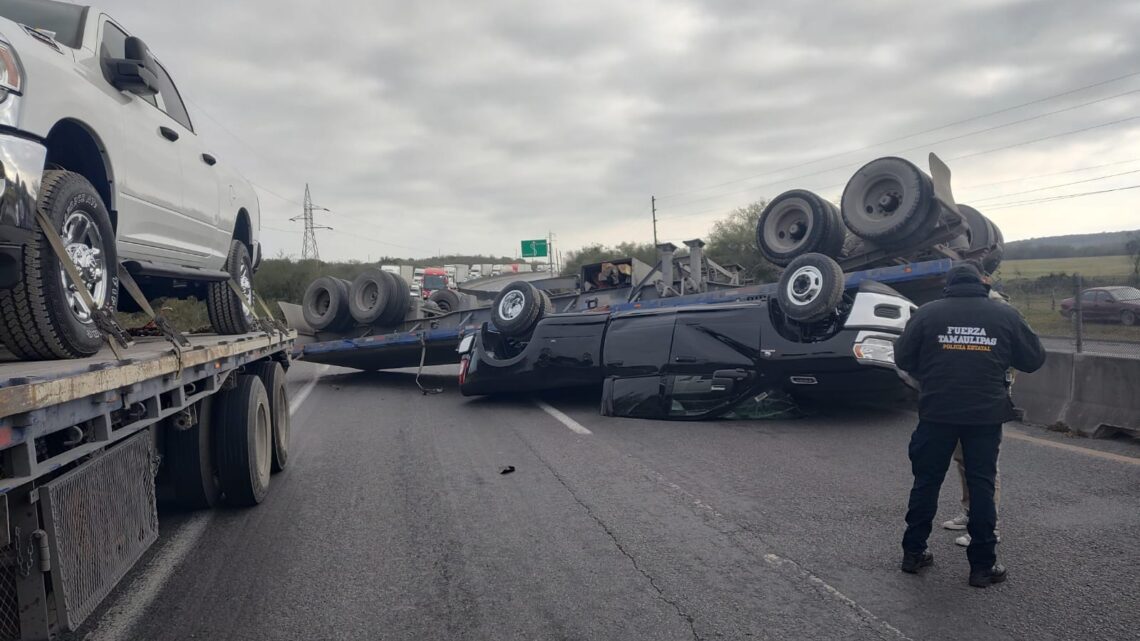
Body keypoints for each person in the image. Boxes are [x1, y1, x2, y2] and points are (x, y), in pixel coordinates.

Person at [894, 261, 1045, 588]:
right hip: (985, 416)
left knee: (926, 482)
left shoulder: (927, 313)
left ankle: (913, 553)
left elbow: (903, 358)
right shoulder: (1004, 314)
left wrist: (936, 368)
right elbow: (1033, 358)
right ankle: (982, 567)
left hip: (936, 412)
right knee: (982, 486)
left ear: (947, 285)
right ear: (983, 282)